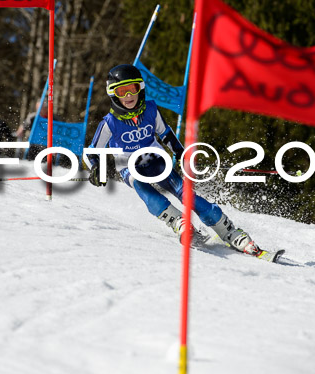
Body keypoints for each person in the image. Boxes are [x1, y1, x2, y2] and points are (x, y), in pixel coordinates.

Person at [85, 64, 264, 256]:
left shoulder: (151, 109)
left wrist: (180, 152)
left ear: (140, 88)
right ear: (114, 94)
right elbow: (91, 153)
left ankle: (228, 230)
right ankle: (180, 222)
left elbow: (165, 133)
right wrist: (96, 168)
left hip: (155, 159)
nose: (128, 96)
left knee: (184, 191)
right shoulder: (109, 123)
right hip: (129, 167)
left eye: (133, 89)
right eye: (122, 91)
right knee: (142, 187)